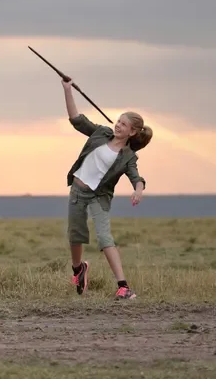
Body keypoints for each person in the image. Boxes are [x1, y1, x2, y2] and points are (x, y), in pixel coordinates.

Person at [61, 76, 152, 300]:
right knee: (76, 236)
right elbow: (76, 119)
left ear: (132, 132)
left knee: (104, 238)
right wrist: (67, 90)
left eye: (123, 124)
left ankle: (123, 287)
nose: (118, 125)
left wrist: (138, 190)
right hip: (77, 191)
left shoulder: (129, 156)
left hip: (98, 197)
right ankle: (78, 269)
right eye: (118, 121)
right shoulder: (101, 132)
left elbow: (136, 177)